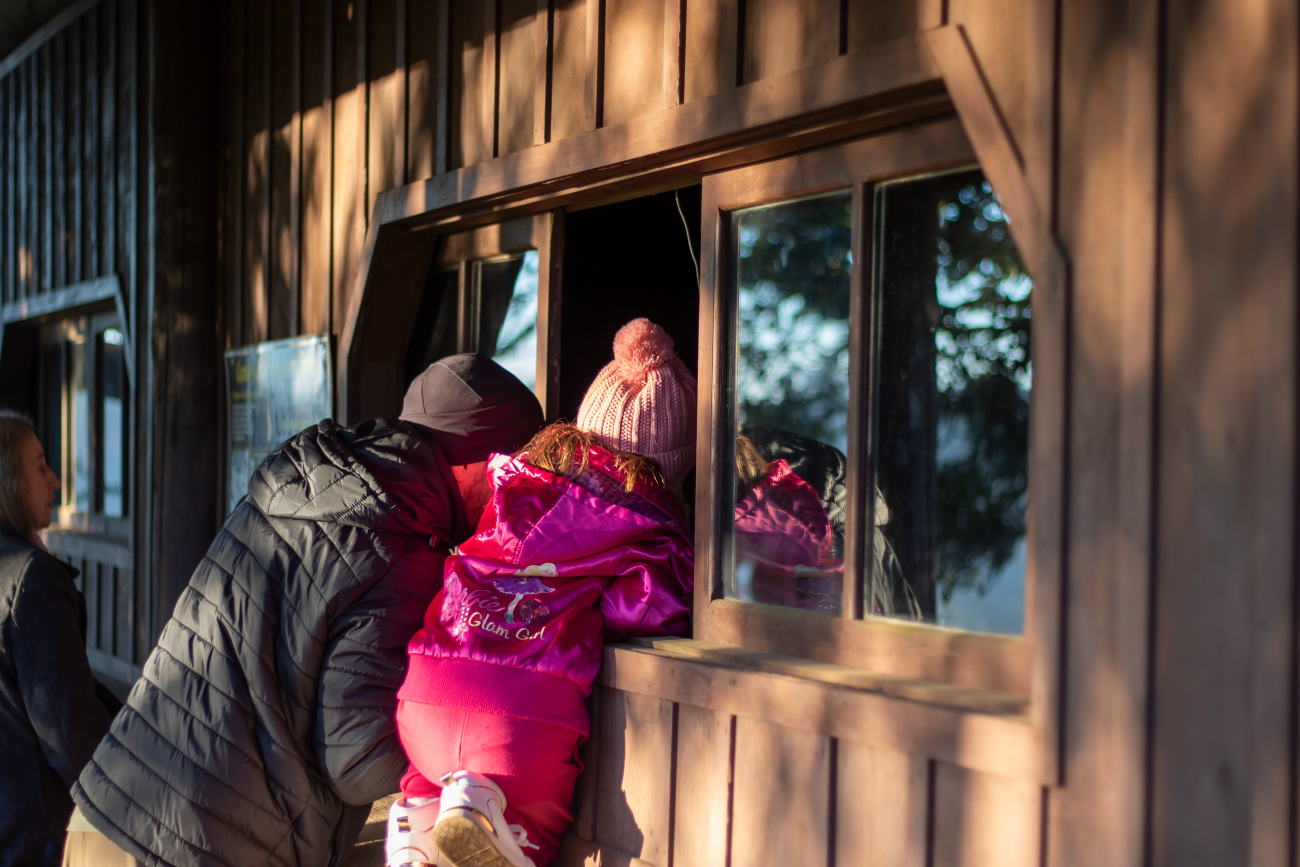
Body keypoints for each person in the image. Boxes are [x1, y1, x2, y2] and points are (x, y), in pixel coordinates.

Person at [68, 356, 544, 867]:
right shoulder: (401, 546)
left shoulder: (314, 482)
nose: (511, 488)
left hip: (111, 815)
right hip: (195, 847)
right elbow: (357, 759)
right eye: (508, 467)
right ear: (474, 457)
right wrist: (474, 734)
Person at [384, 319, 697, 867]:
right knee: (534, 829)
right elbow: (648, 607)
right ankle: (498, 821)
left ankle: (418, 820)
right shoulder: (640, 524)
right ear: (672, 465)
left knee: (427, 785)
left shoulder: (511, 490)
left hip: (424, 690)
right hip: (520, 713)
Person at [0, 410, 119, 866]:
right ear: (8, 479)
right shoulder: (32, 581)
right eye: (40, 464)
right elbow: (69, 733)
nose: (54, 480)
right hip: (36, 838)